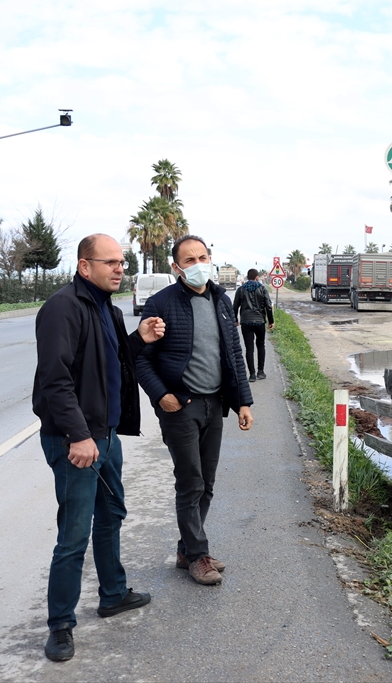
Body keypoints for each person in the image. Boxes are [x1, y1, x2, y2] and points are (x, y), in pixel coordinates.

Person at [33, 233, 167, 662]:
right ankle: (60, 626)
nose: (119, 269)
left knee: (111, 516)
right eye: (109, 262)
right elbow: (55, 379)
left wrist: (138, 338)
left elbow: (108, 360)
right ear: (83, 265)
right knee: (74, 533)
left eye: (122, 263)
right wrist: (78, 435)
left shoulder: (104, 308)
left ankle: (112, 594)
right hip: (77, 440)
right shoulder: (62, 307)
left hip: (106, 438)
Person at [136, 235, 254, 586]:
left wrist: (243, 401)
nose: (198, 263)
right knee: (191, 482)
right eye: (189, 260)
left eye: (203, 256)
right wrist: (162, 396)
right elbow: (142, 361)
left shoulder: (221, 299)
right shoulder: (161, 303)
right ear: (176, 267)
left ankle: (188, 549)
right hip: (180, 407)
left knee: (208, 483)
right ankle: (197, 554)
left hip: (214, 404)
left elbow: (234, 354)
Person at [233, 268, 274, 382]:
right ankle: (260, 372)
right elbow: (268, 306)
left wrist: (235, 319)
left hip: (246, 322)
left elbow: (235, 306)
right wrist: (271, 321)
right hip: (260, 321)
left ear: (247, 277)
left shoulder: (241, 289)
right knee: (261, 345)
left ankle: (251, 375)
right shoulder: (262, 288)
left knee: (249, 349)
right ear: (257, 277)